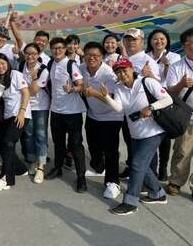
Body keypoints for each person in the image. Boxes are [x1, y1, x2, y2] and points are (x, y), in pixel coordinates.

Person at [101, 59, 171, 215]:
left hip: (154, 131)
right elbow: (119, 108)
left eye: (125, 70)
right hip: (135, 133)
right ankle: (158, 194)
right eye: (118, 72)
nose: (122, 74)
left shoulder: (147, 82)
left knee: (138, 164)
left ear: (132, 69)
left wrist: (151, 107)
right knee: (140, 165)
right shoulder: (119, 87)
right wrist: (106, 97)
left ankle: (130, 202)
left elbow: (168, 100)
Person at [80, 42, 124, 199]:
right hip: (93, 114)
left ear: (102, 57)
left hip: (111, 116)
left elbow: (113, 100)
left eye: (96, 56)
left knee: (110, 150)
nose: (92, 58)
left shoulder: (109, 74)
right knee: (93, 144)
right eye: (88, 55)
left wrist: (95, 93)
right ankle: (98, 167)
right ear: (83, 55)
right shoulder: (82, 69)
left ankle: (113, 182)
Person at [44, 37, 87, 193]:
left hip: (72, 113)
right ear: (51, 49)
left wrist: (72, 89)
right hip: (56, 111)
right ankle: (58, 168)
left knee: (76, 145)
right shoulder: (51, 64)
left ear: (65, 49)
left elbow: (81, 85)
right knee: (59, 143)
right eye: (54, 48)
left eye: (60, 48)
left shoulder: (71, 65)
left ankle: (81, 177)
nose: (58, 50)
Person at [120, 28, 160, 178]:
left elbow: (160, 88)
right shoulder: (123, 60)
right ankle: (133, 169)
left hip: (145, 112)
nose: (131, 42)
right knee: (131, 142)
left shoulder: (147, 61)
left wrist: (150, 76)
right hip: (128, 110)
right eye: (128, 39)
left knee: (147, 146)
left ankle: (150, 177)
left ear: (142, 41)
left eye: (134, 39)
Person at [0, 53, 30, 192]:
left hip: (19, 115)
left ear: (7, 63)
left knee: (8, 142)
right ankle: (21, 168)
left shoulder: (16, 74)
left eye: (3, 63)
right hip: (7, 115)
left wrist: (22, 112)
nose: (0, 66)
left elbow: (26, 93)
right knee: (0, 145)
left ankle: (6, 178)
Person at [146, 28, 181, 181]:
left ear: (167, 40)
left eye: (162, 39)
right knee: (151, 133)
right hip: (148, 99)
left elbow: (170, 82)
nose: (158, 41)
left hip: (166, 99)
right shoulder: (146, 57)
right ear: (150, 41)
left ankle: (163, 167)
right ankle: (151, 167)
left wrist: (166, 66)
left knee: (165, 136)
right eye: (155, 39)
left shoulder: (174, 57)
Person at [165, 27, 193, 199]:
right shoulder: (177, 66)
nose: (192, 46)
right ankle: (175, 181)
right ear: (184, 46)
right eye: (189, 43)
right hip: (187, 116)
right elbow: (170, 93)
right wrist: (182, 84)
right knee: (182, 150)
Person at [20, 43, 50, 184]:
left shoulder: (43, 70)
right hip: (26, 106)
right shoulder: (21, 67)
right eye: (28, 53)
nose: (30, 56)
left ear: (38, 55)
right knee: (28, 134)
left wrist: (33, 78)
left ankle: (41, 166)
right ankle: (32, 161)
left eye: (33, 53)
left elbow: (32, 91)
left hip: (40, 106)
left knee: (40, 135)